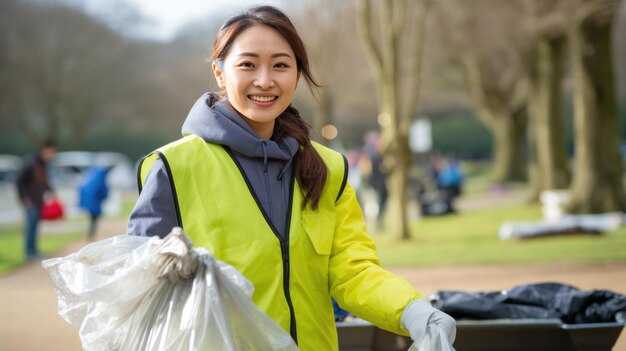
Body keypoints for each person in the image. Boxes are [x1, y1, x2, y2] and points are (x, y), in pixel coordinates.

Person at [127, 6, 455, 350]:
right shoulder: (173, 167)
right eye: (248, 64)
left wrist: (413, 310)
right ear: (220, 73)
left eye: (281, 65)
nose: (265, 80)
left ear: (297, 74)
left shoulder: (329, 169)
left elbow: (353, 273)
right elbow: (141, 296)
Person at [15, 139, 57, 260]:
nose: (52, 155)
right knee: (31, 226)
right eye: (51, 152)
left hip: (38, 201)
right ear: (44, 150)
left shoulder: (42, 164)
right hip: (30, 201)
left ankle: (33, 250)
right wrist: (23, 198)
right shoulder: (31, 163)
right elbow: (19, 181)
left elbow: (43, 182)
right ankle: (28, 252)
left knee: (35, 226)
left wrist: (52, 192)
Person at [78, 166, 110, 240]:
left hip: (89, 201)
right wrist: (104, 196)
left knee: (92, 218)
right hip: (94, 202)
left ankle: (91, 235)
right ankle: (91, 235)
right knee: (94, 219)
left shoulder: (90, 176)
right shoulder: (100, 178)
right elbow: (102, 190)